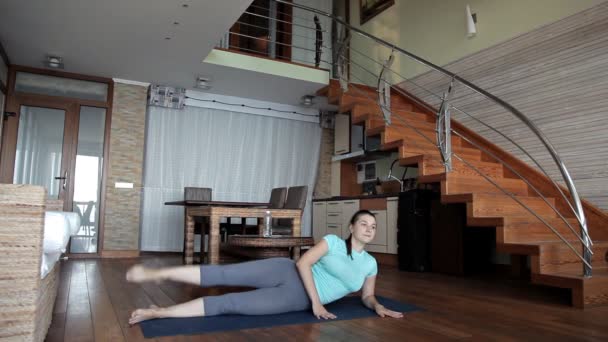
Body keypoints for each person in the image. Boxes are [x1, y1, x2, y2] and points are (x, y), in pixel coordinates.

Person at [126, 210, 404, 324]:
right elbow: (304, 262)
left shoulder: (371, 263)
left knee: (230, 303)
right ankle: (155, 272)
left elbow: (366, 295)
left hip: (293, 299)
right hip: (286, 271)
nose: (369, 229)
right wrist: (317, 305)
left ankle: (159, 313)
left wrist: (377, 305)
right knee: (221, 272)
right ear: (352, 227)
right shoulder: (332, 242)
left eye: (374, 227)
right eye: (364, 224)